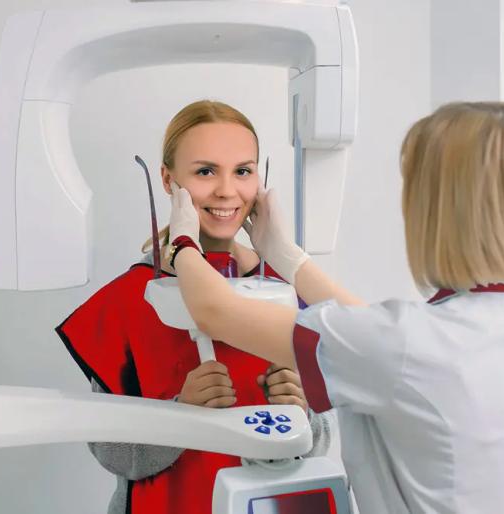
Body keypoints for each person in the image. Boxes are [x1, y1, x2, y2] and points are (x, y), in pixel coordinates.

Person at [168, 101, 504, 513]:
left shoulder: (403, 345)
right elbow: (377, 337)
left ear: (440, 216)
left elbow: (214, 311)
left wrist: (182, 244)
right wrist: (287, 257)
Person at [55, 100, 331, 514]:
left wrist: (301, 412)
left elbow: (322, 441)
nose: (226, 190)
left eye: (242, 171)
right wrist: (181, 414)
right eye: (205, 171)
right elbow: (108, 449)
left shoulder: (288, 288)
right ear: (168, 180)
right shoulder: (131, 298)